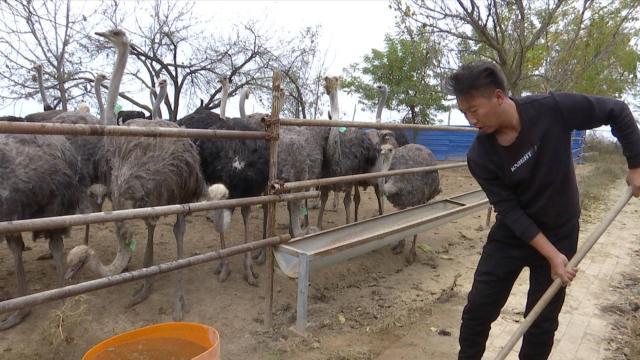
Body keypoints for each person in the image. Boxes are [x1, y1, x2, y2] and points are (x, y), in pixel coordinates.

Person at [446, 61, 640, 360]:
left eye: (474, 110)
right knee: (477, 311)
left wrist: (636, 165)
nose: (471, 120)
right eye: (464, 113)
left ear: (499, 97)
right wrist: (551, 255)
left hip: (561, 229)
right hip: (512, 236)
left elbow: (617, 111)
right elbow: (509, 211)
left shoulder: (551, 108)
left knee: (541, 323)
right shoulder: (480, 155)